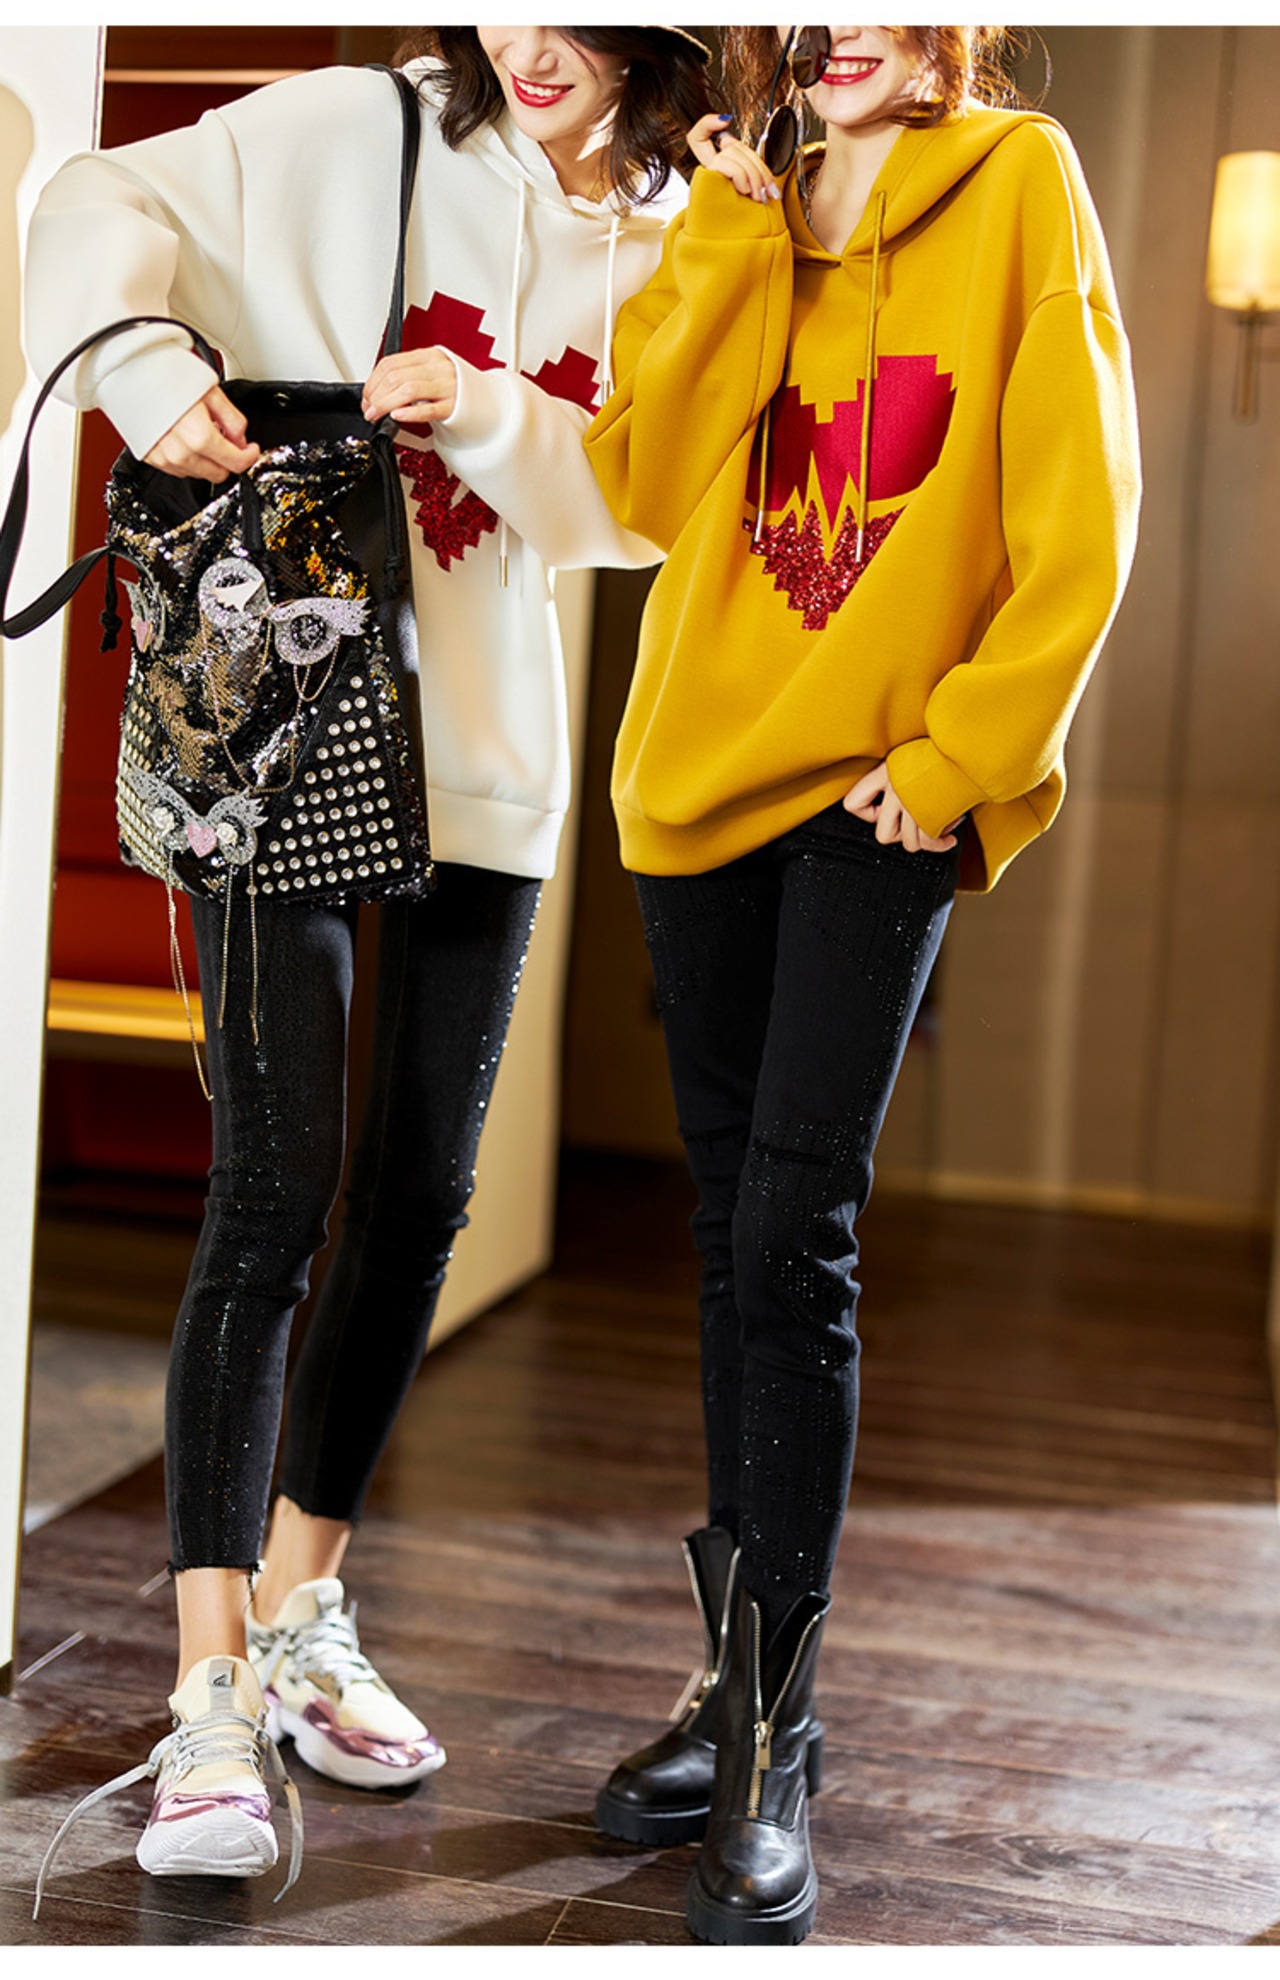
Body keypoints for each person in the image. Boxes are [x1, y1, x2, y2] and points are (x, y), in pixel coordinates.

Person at [25, 24, 713, 1905]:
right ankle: (208, 1694)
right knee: (272, 1189)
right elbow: (92, 197)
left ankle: (302, 1605)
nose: (532, 41)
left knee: (416, 1200)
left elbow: (644, 501)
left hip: (492, 753)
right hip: (285, 723)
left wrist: (485, 411)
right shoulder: (355, 124)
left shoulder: (684, 227)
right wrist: (146, 369)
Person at [584, 23, 1141, 1947]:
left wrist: (966, 751)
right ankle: (740, 1694)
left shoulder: (1020, 183)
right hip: (695, 784)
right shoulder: (737, 200)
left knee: (793, 1231)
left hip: (874, 794)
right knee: (729, 1235)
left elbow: (1083, 513)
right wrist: (733, 239)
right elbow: (647, 483)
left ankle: (771, 1738)